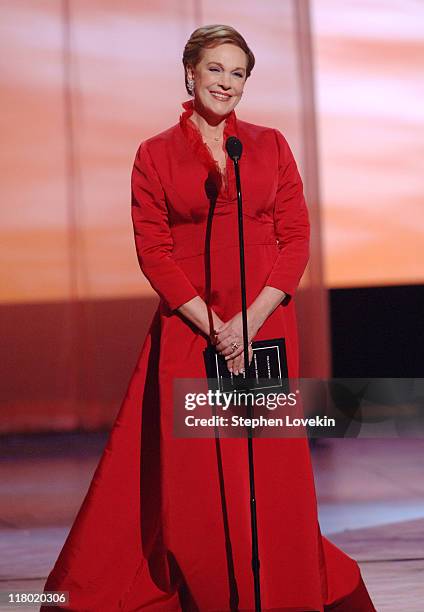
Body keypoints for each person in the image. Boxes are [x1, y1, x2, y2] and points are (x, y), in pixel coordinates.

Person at [42, 24, 376, 611]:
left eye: (238, 73)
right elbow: (154, 250)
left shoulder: (268, 145)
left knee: (265, 463)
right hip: (190, 328)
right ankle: (211, 582)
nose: (227, 83)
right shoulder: (154, 154)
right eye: (216, 69)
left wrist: (249, 321)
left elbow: (295, 239)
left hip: (263, 327)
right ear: (190, 73)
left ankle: (278, 580)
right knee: (196, 471)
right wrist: (212, 324)